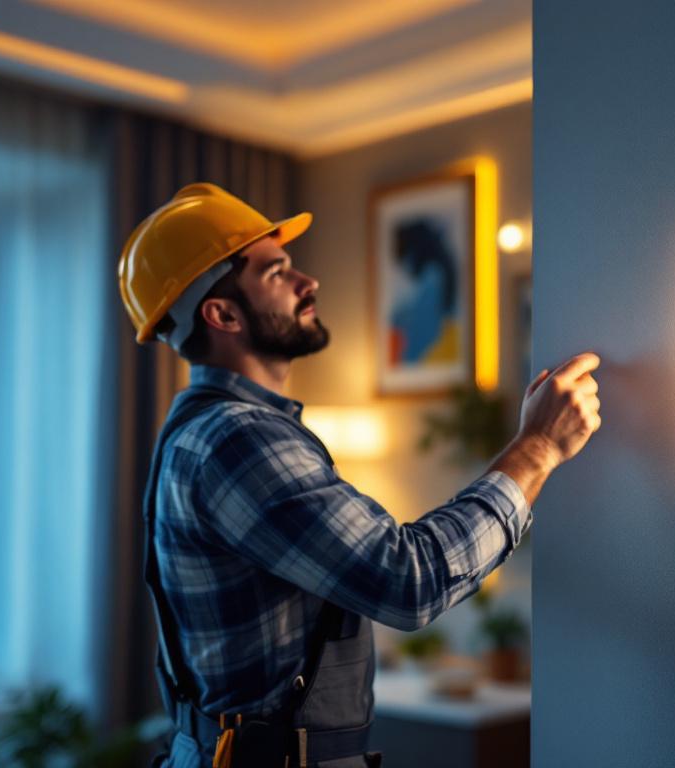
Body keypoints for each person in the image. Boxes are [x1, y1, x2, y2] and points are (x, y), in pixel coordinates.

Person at [117, 183, 601, 768]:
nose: (308, 283)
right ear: (221, 313)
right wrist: (538, 447)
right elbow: (408, 580)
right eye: (276, 273)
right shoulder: (238, 440)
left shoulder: (201, 431)